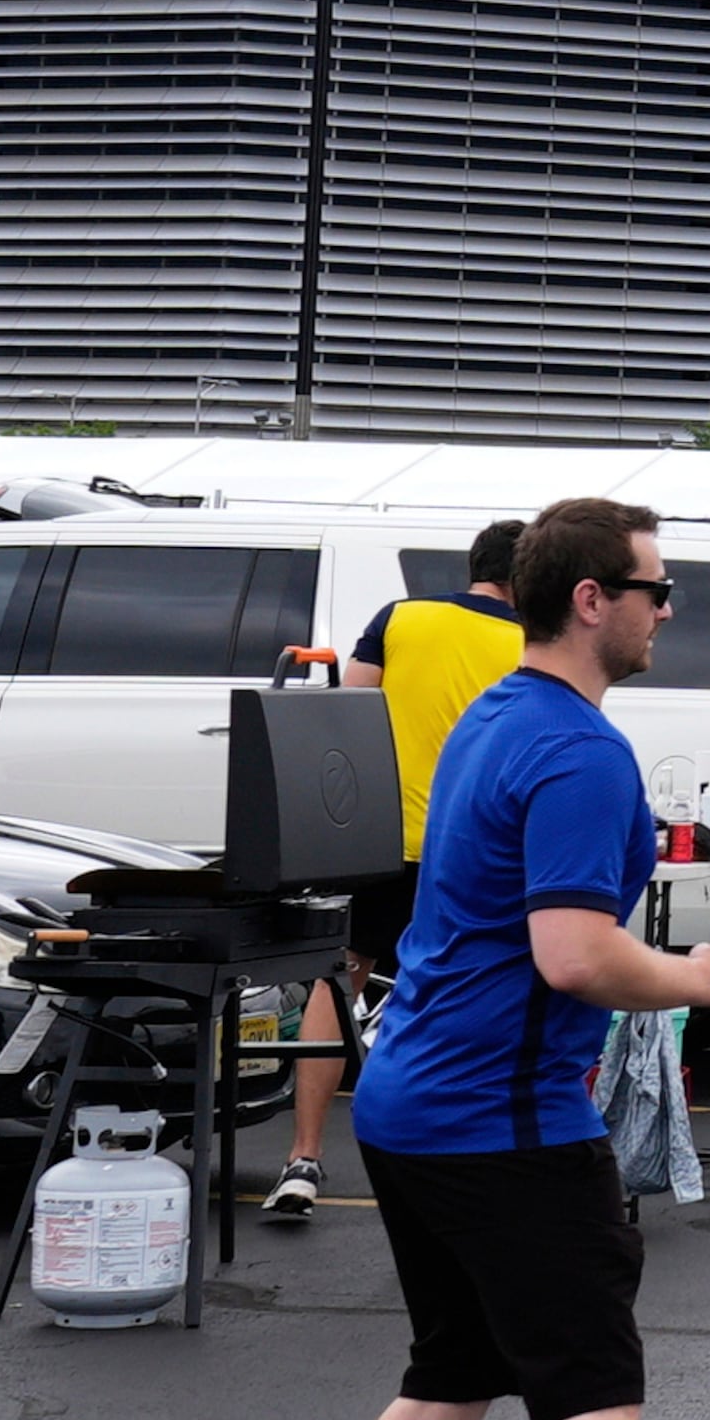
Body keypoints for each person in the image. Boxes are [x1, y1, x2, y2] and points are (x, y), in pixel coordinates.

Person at [280, 500, 710, 1420]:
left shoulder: (499, 718)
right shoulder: (580, 749)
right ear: (593, 600)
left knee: (448, 1376)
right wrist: (700, 978)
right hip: (502, 1126)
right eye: (655, 589)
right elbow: (571, 952)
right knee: (593, 1397)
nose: (667, 610)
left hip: (411, 1105)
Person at [270, 519, 527, 1219]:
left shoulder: (401, 618)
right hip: (472, 849)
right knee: (460, 992)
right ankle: (448, 1164)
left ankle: (303, 1157)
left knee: (341, 975)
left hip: (384, 842)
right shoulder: (532, 642)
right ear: (526, 575)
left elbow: (346, 717)